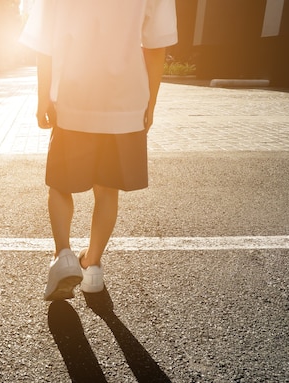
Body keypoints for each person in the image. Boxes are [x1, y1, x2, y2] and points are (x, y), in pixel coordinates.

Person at [19, 0, 178, 301]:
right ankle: (92, 265)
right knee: (107, 189)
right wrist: (151, 102)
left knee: (60, 185)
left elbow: (46, 38)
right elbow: (156, 44)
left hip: (74, 96)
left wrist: (43, 97)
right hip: (125, 99)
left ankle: (63, 254)